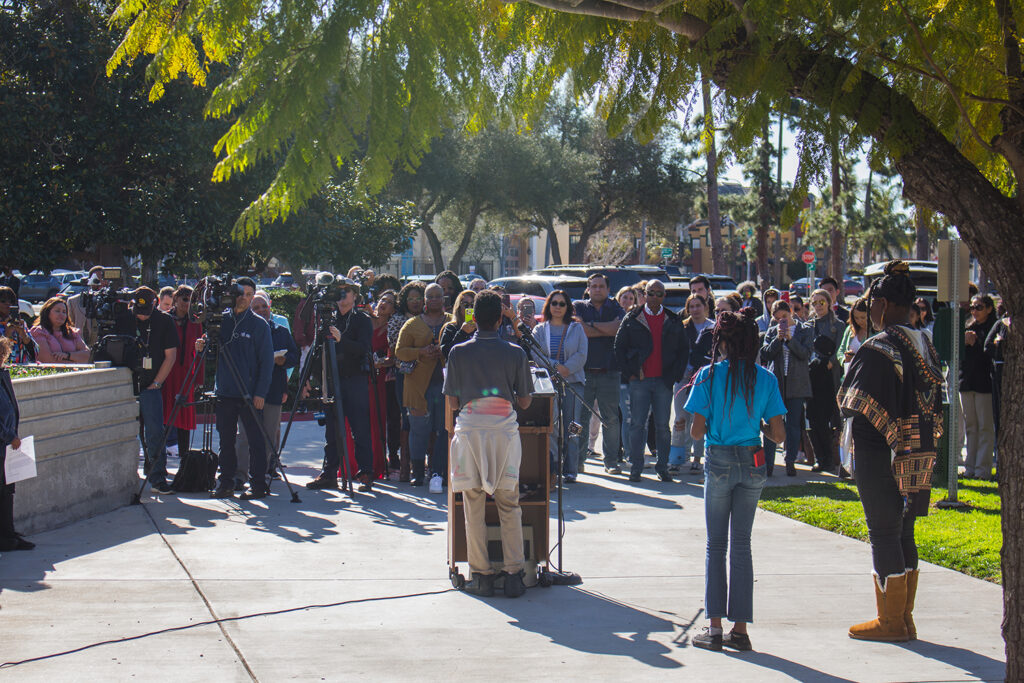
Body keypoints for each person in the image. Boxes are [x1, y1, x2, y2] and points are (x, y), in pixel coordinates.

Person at [838, 260, 944, 643]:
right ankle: (904, 618)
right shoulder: (924, 343)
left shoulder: (879, 347)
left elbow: (854, 403)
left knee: (883, 532)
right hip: (919, 452)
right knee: (905, 532)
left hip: (881, 453)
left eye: (871, 303)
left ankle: (891, 622)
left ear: (881, 303)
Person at [684, 309, 786, 651]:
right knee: (742, 544)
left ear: (723, 343)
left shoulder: (708, 375)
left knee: (716, 545)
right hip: (754, 460)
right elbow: (780, 435)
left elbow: (696, 432)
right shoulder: (765, 378)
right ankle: (740, 630)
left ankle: (714, 629)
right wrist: (755, 424)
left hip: (719, 459)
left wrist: (716, 422)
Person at [443, 290, 534, 598]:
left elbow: (452, 400)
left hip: (469, 431)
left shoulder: (457, 352)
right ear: (500, 319)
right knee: (510, 504)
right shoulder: (515, 352)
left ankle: (481, 574)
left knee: (473, 504)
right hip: (503, 434)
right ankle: (513, 575)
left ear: (474, 318)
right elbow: (524, 401)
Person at [198, 278, 273, 500]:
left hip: (250, 393)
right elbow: (211, 352)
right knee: (226, 441)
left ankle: (258, 484)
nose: (244, 298)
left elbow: (267, 362)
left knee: (255, 440)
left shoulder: (259, 324)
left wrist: (260, 392)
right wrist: (202, 344)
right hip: (226, 391)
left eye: (250, 295)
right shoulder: (222, 320)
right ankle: (226, 482)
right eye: (241, 293)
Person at [305, 277, 376, 492]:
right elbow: (317, 350)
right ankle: (329, 473)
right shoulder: (329, 319)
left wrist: (340, 341)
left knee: (359, 429)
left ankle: (366, 472)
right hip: (332, 381)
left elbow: (363, 348)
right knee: (332, 430)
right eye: (339, 292)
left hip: (354, 380)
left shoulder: (362, 320)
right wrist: (306, 376)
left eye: (347, 292)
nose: (343, 296)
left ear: (355, 296)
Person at [614, 279, 689, 483]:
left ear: (664, 296)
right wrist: (630, 373)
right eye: (651, 293)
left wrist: (674, 375)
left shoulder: (672, 320)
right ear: (644, 294)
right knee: (637, 425)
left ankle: (662, 467)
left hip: (664, 382)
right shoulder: (632, 318)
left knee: (663, 426)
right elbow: (619, 348)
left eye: (659, 293)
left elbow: (684, 350)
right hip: (640, 381)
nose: (655, 297)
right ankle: (636, 467)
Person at [236, 292, 299, 487]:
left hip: (273, 391)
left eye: (264, 307)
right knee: (245, 435)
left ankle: (260, 476)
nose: (261, 310)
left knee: (269, 436)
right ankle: (240, 475)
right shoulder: (242, 331)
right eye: (256, 308)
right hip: (248, 391)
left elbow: (295, 357)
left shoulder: (280, 331)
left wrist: (283, 360)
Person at [121, 287, 178, 495]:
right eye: (138, 308)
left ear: (154, 303)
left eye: (146, 309)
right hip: (126, 384)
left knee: (154, 431)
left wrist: (157, 382)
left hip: (151, 384)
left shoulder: (164, 321)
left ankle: (157, 477)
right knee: (127, 432)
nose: (141, 313)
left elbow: (170, 356)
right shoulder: (125, 318)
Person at [395, 283, 452, 487]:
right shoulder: (412, 324)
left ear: (444, 299)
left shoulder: (452, 322)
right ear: (425, 300)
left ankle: (439, 471)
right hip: (418, 388)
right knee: (418, 431)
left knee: (443, 431)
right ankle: (417, 472)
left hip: (446, 387)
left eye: (439, 296)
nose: (435, 299)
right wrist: (420, 352)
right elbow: (399, 351)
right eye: (431, 296)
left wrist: (443, 353)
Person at [531, 290, 588, 482]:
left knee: (573, 427)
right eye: (554, 303)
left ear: (567, 307)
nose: (557, 307)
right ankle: (553, 469)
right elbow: (536, 355)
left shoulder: (576, 328)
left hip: (573, 383)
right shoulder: (539, 330)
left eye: (562, 304)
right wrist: (556, 368)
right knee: (552, 427)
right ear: (549, 305)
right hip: (549, 385)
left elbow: (581, 354)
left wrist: (566, 370)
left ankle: (571, 469)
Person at [574, 274, 625, 475]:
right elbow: (579, 329)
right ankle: (577, 460)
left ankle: (611, 461)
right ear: (588, 289)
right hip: (583, 372)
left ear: (607, 288)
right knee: (580, 419)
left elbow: (617, 328)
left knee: (610, 419)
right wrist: (605, 328)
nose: (597, 289)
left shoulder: (616, 308)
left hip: (609, 372)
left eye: (601, 286)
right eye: (593, 286)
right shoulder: (578, 306)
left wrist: (591, 325)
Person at [760, 300, 812, 476]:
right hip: (777, 383)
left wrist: (790, 340)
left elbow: (805, 354)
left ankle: (790, 461)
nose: (781, 321)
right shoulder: (773, 331)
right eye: (777, 319)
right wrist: (778, 338)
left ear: (790, 312)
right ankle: (768, 464)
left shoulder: (804, 330)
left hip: (797, 383)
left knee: (793, 424)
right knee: (773, 422)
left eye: (784, 316)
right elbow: (765, 353)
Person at [670, 294, 714, 474]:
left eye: (698, 306)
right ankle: (677, 458)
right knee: (680, 418)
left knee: (699, 418)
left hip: (704, 379)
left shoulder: (713, 328)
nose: (695, 310)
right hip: (683, 378)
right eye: (692, 306)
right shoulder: (682, 328)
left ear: (705, 307)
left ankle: (697, 459)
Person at [0, 338, 35, 551]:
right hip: (4, 440)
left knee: (7, 491)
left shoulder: (3, 375)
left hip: (8, 445)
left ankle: (8, 534)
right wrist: (8, 436)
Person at [161, 285, 203, 456]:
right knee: (164, 417)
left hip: (186, 375)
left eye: (191, 300)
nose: (187, 303)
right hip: (166, 373)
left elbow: (199, 353)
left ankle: (184, 462)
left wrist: (199, 380)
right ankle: (158, 460)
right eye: (184, 299)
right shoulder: (164, 319)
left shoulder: (195, 321)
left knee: (184, 420)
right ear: (176, 299)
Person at [389, 281, 424, 481]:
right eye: (410, 298)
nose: (415, 302)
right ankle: (405, 467)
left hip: (427, 375)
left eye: (418, 298)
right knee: (406, 419)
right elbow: (396, 348)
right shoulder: (397, 319)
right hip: (404, 375)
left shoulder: (431, 319)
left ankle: (424, 465)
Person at [960, 294, 996, 480]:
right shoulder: (967, 327)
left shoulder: (993, 328)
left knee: (985, 428)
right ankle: (970, 468)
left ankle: (982, 470)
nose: (974, 311)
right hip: (966, 383)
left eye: (979, 307)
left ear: (989, 309)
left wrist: (977, 342)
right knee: (971, 427)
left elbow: (990, 354)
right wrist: (964, 341)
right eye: (972, 308)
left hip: (985, 385)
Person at [371, 289, 400, 474]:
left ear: (393, 309)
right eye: (382, 299)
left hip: (382, 377)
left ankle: (383, 459)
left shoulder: (392, 326)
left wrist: (381, 363)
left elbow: (393, 357)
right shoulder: (366, 320)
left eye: (389, 302)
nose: (384, 303)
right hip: (363, 373)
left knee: (382, 417)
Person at [30, 297, 89, 363]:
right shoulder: (38, 332)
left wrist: (67, 355)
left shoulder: (72, 333)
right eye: (57, 311)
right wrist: (75, 361)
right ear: (47, 312)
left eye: (64, 312)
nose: (61, 315)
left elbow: (87, 355)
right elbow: (47, 360)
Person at [67, 266, 108, 348]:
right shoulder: (74, 301)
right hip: (83, 348)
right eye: (96, 279)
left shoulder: (114, 301)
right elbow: (69, 327)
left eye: (103, 279)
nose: (100, 283)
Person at [985, 313, 1008, 453]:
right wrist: (998, 345)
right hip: (999, 375)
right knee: (999, 418)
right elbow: (987, 346)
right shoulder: (1001, 324)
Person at [0, 286, 36, 364]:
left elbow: (35, 352)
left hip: (22, 368)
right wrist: (7, 335)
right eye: (3, 301)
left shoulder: (19, 323)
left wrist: (24, 335)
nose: (8, 304)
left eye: (11, 301)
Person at [837, 297, 870, 376]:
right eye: (856, 318)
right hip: (849, 375)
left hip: (867, 375)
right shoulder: (850, 329)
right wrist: (845, 359)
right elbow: (840, 351)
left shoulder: (876, 332)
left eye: (863, 317)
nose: (859, 321)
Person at [440, 290, 477, 360]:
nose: (469, 308)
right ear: (459, 307)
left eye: (473, 305)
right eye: (466, 305)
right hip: (458, 368)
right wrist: (462, 333)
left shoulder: (481, 327)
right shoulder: (451, 327)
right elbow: (446, 352)